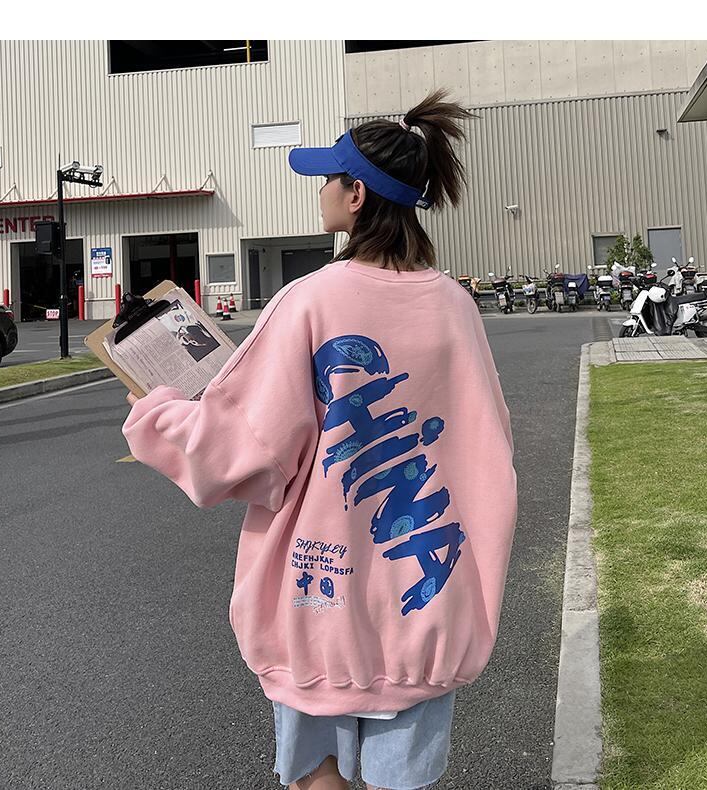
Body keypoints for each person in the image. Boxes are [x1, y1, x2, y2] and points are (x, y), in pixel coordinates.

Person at [122, 89, 518, 790]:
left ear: (356, 195)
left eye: (329, 178)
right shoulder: (456, 306)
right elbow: (490, 451)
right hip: (426, 596)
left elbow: (246, 447)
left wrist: (155, 413)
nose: (322, 191)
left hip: (320, 602)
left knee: (317, 775)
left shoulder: (310, 299)